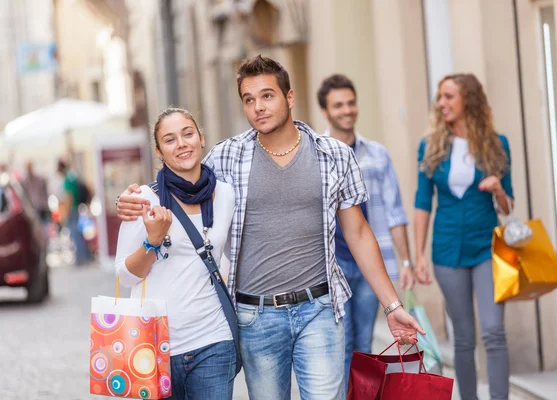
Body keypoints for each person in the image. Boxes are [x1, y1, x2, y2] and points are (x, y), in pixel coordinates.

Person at [117, 55, 424, 400]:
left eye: (267, 96)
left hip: (320, 309)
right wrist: (135, 197)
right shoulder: (227, 156)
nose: (258, 107)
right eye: (249, 100)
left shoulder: (334, 155)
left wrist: (392, 306)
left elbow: (358, 233)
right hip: (255, 317)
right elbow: (180, 174)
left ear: (289, 98)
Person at [115, 107, 238, 399]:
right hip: (154, 344)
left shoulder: (226, 194)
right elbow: (124, 275)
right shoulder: (143, 199)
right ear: (159, 151)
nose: (181, 144)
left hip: (214, 339)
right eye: (169, 140)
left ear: (201, 138)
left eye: (187, 134)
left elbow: (230, 255)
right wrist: (152, 241)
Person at [413, 73, 513, 400]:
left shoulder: (498, 144)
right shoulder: (430, 147)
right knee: (464, 338)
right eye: (439, 97)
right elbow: (423, 202)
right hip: (446, 252)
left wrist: (498, 188)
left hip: (486, 248)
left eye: (449, 96)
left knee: (494, 332)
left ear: (468, 99)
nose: (441, 103)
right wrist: (418, 255)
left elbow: (508, 206)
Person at [317, 74, 415, 387]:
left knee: (365, 346)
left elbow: (395, 211)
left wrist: (406, 261)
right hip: (334, 265)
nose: (346, 110)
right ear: (326, 112)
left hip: (371, 263)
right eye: (338, 105)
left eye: (350, 103)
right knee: (341, 345)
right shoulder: (317, 154)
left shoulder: (377, 154)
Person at [57, 159, 91, 266]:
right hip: (76, 207)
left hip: (72, 209)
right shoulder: (72, 176)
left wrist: (65, 211)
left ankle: (81, 258)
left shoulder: (67, 179)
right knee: (78, 233)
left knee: (75, 234)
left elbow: (69, 196)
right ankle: (85, 255)